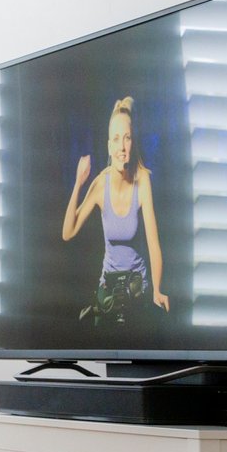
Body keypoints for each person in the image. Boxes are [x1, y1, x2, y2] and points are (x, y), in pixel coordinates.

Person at [61, 95, 169, 328]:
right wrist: (78, 183)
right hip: (107, 291)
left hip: (137, 288)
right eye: (117, 139)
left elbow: (153, 243)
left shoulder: (143, 181)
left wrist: (157, 290)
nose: (122, 146)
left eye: (127, 138)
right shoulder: (101, 183)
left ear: (133, 142)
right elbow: (67, 233)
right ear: (109, 146)